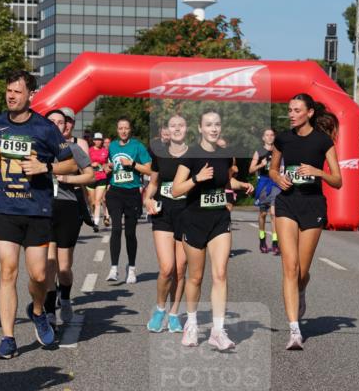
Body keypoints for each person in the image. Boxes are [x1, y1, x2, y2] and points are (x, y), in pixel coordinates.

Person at [0, 70, 77, 359]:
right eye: (8, 90)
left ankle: (37, 311)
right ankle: (8, 338)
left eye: (17, 91)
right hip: (5, 209)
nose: (11, 96)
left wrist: (45, 168)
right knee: (7, 271)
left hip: (37, 210)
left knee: (38, 275)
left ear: (30, 95)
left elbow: (71, 164)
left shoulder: (44, 129)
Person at [171, 110, 254, 350]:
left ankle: (218, 331)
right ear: (200, 128)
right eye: (209, 125)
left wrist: (241, 185)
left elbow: (225, 182)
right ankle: (192, 324)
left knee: (220, 274)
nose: (214, 129)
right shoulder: (190, 155)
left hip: (219, 219)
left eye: (217, 124)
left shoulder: (225, 155)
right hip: (193, 220)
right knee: (195, 277)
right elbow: (177, 190)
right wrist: (197, 178)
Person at [269, 95, 342, 351]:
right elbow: (273, 168)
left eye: (296, 110)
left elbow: (337, 180)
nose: (291, 114)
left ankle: (301, 290)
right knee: (289, 267)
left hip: (312, 206)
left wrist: (318, 172)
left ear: (309, 113)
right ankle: (294, 330)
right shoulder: (283, 139)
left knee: (301, 271)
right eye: (289, 110)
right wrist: (278, 179)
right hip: (287, 203)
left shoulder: (323, 141)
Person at [43, 109, 95, 328]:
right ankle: (48, 311)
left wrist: (68, 178)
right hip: (43, 208)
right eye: (51, 122)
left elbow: (91, 175)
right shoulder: (38, 148)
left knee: (63, 267)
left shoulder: (73, 149)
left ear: (66, 126)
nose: (56, 125)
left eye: (60, 122)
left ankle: (64, 298)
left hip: (67, 207)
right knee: (48, 264)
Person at [143, 114, 190, 333]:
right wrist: (147, 199)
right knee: (167, 267)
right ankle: (160, 308)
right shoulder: (160, 153)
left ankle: (173, 314)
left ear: (187, 128)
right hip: (164, 213)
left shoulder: (195, 154)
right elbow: (153, 183)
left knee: (180, 270)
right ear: (167, 130)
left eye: (181, 125)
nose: (177, 129)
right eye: (173, 125)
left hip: (187, 214)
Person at [106, 117, 152, 284]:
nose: (123, 131)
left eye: (126, 128)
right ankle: (113, 268)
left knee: (130, 233)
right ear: (117, 130)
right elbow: (108, 166)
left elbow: (150, 169)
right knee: (116, 228)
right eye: (120, 128)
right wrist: (108, 167)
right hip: (115, 192)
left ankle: (131, 268)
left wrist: (132, 164)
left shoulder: (137, 146)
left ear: (130, 129)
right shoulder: (112, 146)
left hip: (132, 193)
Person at [250, 128, 281, 254]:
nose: (269, 137)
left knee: (274, 213)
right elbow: (251, 170)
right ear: (263, 138)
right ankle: (262, 239)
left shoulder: (278, 151)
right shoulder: (259, 152)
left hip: (275, 183)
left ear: (274, 137)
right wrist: (260, 165)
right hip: (263, 183)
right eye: (267, 135)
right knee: (263, 214)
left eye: (272, 135)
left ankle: (275, 242)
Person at [86, 132, 110, 230]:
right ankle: (93, 216)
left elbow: (107, 164)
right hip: (91, 178)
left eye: (100, 140)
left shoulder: (105, 151)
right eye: (96, 140)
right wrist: (92, 164)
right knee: (91, 202)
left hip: (102, 177)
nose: (98, 141)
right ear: (93, 140)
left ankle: (96, 223)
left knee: (97, 200)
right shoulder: (89, 150)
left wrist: (106, 167)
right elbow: (85, 163)